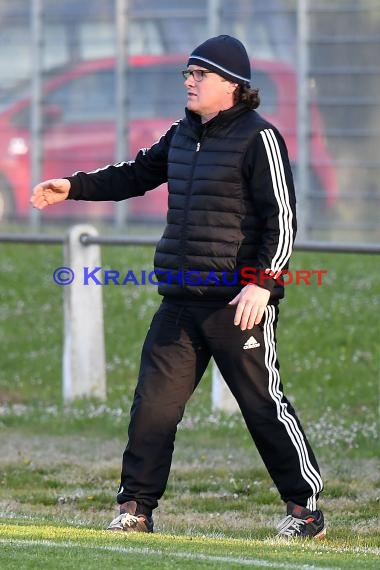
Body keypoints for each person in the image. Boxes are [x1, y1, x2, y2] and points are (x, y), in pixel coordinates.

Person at [31, 35, 325, 539]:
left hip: (238, 304)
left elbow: (283, 218)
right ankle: (136, 509)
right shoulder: (181, 134)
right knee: (153, 407)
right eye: (187, 73)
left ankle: (306, 511)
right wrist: (73, 187)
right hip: (179, 300)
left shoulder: (261, 138)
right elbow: (136, 175)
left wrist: (262, 284)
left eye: (199, 74)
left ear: (231, 85)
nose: (189, 81)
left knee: (262, 406)